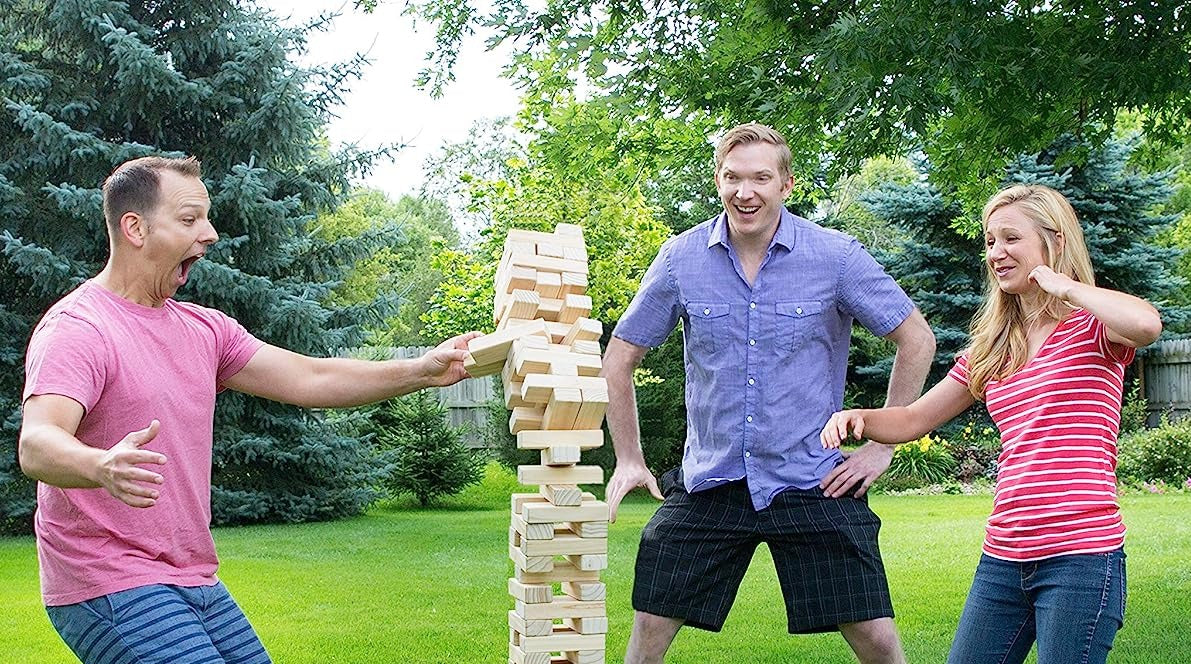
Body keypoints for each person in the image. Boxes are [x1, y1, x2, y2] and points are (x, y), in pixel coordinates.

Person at [19, 156, 480, 664]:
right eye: (191, 219)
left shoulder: (204, 330)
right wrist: (99, 465)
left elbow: (311, 377)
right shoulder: (79, 328)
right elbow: (38, 443)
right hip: (106, 576)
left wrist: (423, 370)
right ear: (135, 228)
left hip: (192, 573)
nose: (211, 234)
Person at [601, 123, 936, 664]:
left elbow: (916, 338)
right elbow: (618, 359)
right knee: (650, 624)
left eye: (760, 177)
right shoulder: (681, 259)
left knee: (875, 636)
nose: (745, 191)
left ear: (787, 182)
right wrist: (628, 459)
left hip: (812, 478)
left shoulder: (835, 257)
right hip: (712, 478)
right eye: (732, 177)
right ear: (718, 180)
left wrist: (882, 445)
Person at [821, 184, 1162, 664]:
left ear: (1055, 242)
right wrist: (859, 417)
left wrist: (1062, 286)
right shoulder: (993, 348)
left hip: (1082, 558)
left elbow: (1146, 324)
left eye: (1010, 239)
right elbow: (915, 419)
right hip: (1003, 557)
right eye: (989, 242)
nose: (996, 254)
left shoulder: (1093, 330)